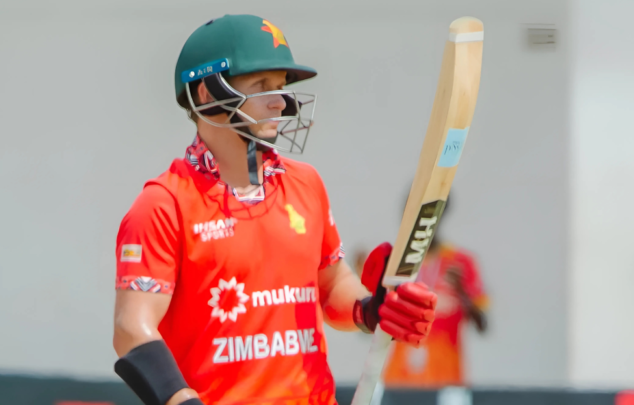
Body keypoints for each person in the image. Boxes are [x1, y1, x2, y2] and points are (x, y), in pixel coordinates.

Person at [111, 14, 438, 405]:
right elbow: (131, 328)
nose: (280, 99)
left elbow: (331, 284)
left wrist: (368, 309)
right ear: (206, 94)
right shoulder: (164, 204)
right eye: (261, 85)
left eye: (282, 86)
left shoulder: (306, 183)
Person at [355, 196, 489, 390]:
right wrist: (371, 289)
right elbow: (368, 329)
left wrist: (462, 293)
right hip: (400, 381)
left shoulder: (460, 263)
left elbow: (483, 325)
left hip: (447, 381)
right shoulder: (396, 264)